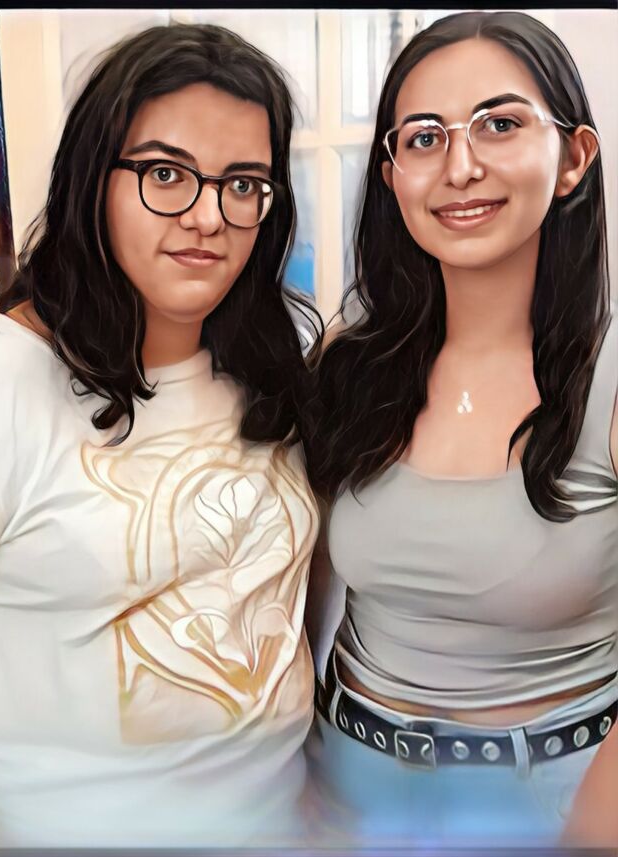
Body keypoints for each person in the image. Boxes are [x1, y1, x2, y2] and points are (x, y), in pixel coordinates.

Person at [0, 23, 321, 848]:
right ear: (93, 177)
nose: (208, 216)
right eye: (166, 173)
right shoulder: (1, 381)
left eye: (244, 184)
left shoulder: (277, 360)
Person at [305, 9, 616, 848]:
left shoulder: (610, 379)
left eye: (500, 124)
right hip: (345, 783)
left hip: (551, 800)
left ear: (574, 158)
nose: (461, 166)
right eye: (424, 137)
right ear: (392, 174)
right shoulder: (348, 362)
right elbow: (306, 595)